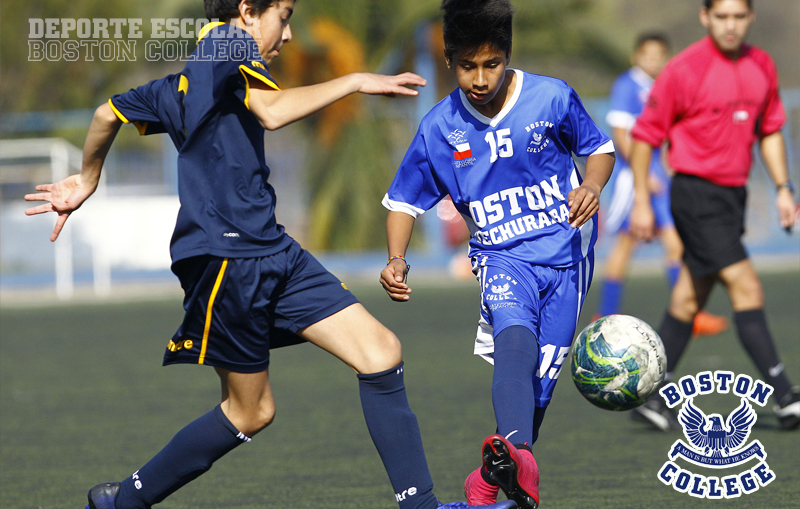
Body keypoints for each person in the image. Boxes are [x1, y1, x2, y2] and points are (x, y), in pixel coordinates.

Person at [23, 1, 519, 509]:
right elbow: (273, 111)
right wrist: (353, 82)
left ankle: (421, 506)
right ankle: (125, 501)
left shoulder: (183, 83)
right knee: (249, 411)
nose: (286, 36)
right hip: (226, 259)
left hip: (272, 250)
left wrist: (88, 178)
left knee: (379, 351)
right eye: (283, 17)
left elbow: (108, 112)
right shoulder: (226, 41)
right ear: (246, 11)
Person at [379, 1, 616, 507]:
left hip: (568, 256)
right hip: (500, 256)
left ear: (507, 55)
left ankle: (490, 485)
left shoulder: (551, 98)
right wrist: (396, 258)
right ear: (449, 62)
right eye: (468, 66)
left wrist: (592, 185)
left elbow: (599, 149)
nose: (480, 78)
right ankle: (515, 468)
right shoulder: (440, 129)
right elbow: (402, 203)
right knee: (514, 342)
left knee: (539, 391)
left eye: (492, 64)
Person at [628, 0, 800, 431]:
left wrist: (783, 188)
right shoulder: (684, 70)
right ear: (705, 17)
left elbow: (771, 130)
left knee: (690, 296)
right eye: (721, 16)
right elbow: (645, 136)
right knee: (746, 285)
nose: (730, 25)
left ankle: (651, 394)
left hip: (732, 197)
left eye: (738, 16)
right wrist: (642, 201)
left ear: (751, 17)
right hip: (695, 195)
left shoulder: (762, 65)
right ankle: (786, 395)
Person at [594, 33, 729, 337]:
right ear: (636, 57)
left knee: (676, 245)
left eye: (659, 56)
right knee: (626, 246)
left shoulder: (664, 84)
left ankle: (689, 313)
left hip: (659, 178)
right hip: (636, 180)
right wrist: (644, 173)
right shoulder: (627, 85)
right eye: (648, 55)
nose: (654, 61)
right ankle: (605, 315)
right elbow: (621, 134)